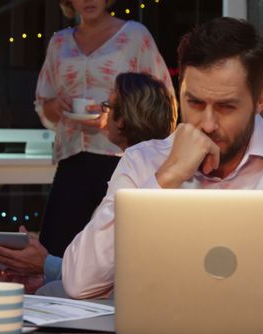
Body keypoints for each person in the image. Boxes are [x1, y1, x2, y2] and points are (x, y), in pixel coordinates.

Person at [61, 17, 263, 303]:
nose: (207, 124)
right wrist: (166, 178)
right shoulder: (143, 161)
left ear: (261, 101)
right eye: (195, 102)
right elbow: (79, 281)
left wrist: (233, 260)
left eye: (227, 106)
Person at [0, 73, 177, 293]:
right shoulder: (162, 163)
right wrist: (47, 272)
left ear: (123, 118)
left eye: (108, 106)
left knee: (45, 293)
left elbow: (100, 274)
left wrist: (45, 264)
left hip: (128, 299)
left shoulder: (135, 171)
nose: (104, 114)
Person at [35, 0, 173, 257]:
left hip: (122, 159)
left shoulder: (134, 35)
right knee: (56, 251)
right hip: (72, 159)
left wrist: (119, 116)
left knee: (118, 253)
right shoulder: (59, 43)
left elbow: (164, 99)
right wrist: (58, 106)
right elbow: (44, 107)